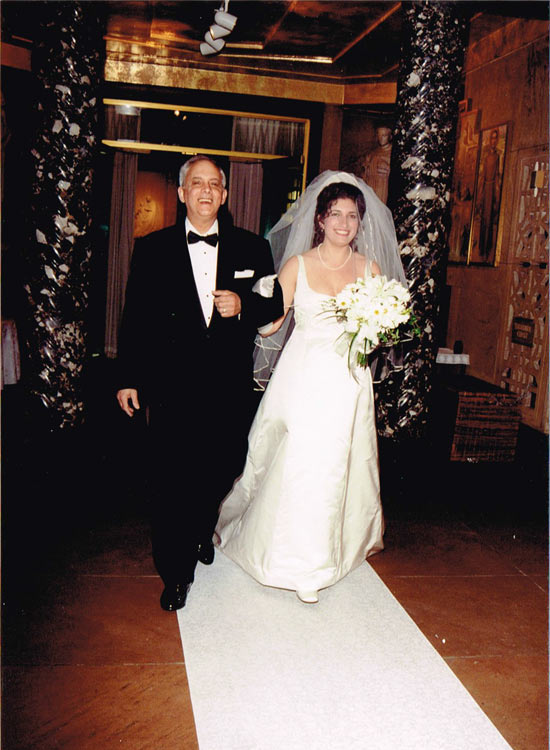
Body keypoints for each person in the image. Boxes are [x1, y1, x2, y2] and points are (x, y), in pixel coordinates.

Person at [214, 171, 407, 603]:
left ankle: (320, 559)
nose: (344, 223)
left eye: (352, 216)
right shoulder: (297, 264)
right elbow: (273, 326)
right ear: (319, 218)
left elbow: (375, 334)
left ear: (361, 223)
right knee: (300, 463)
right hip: (302, 379)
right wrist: (253, 301)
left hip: (348, 382)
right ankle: (293, 558)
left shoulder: (369, 268)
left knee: (337, 465)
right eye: (335, 213)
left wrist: (378, 327)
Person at [116, 155, 284, 612]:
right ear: (182, 192)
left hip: (228, 389)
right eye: (197, 183)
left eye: (215, 184)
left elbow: (273, 307)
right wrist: (128, 377)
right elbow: (135, 319)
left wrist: (243, 307)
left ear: (225, 196)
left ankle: (198, 530)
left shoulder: (254, 248)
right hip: (171, 387)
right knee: (172, 479)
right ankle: (176, 573)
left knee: (220, 468)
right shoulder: (152, 249)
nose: (206, 191)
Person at [476, 128, 501, 261]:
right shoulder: (486, 156)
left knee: (490, 220)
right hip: (485, 187)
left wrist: (497, 192)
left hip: (492, 188)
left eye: (495, 138)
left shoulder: (498, 156)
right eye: (492, 137)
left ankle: (488, 249)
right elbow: (481, 175)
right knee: (484, 220)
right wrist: (480, 192)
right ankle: (481, 248)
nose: (493, 140)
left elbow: (497, 174)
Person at [363, 126, 393, 204]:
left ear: (390, 136)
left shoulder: (393, 153)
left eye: (384, 135)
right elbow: (365, 174)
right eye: (379, 135)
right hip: (371, 186)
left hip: (383, 187)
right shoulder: (372, 153)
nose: (381, 138)